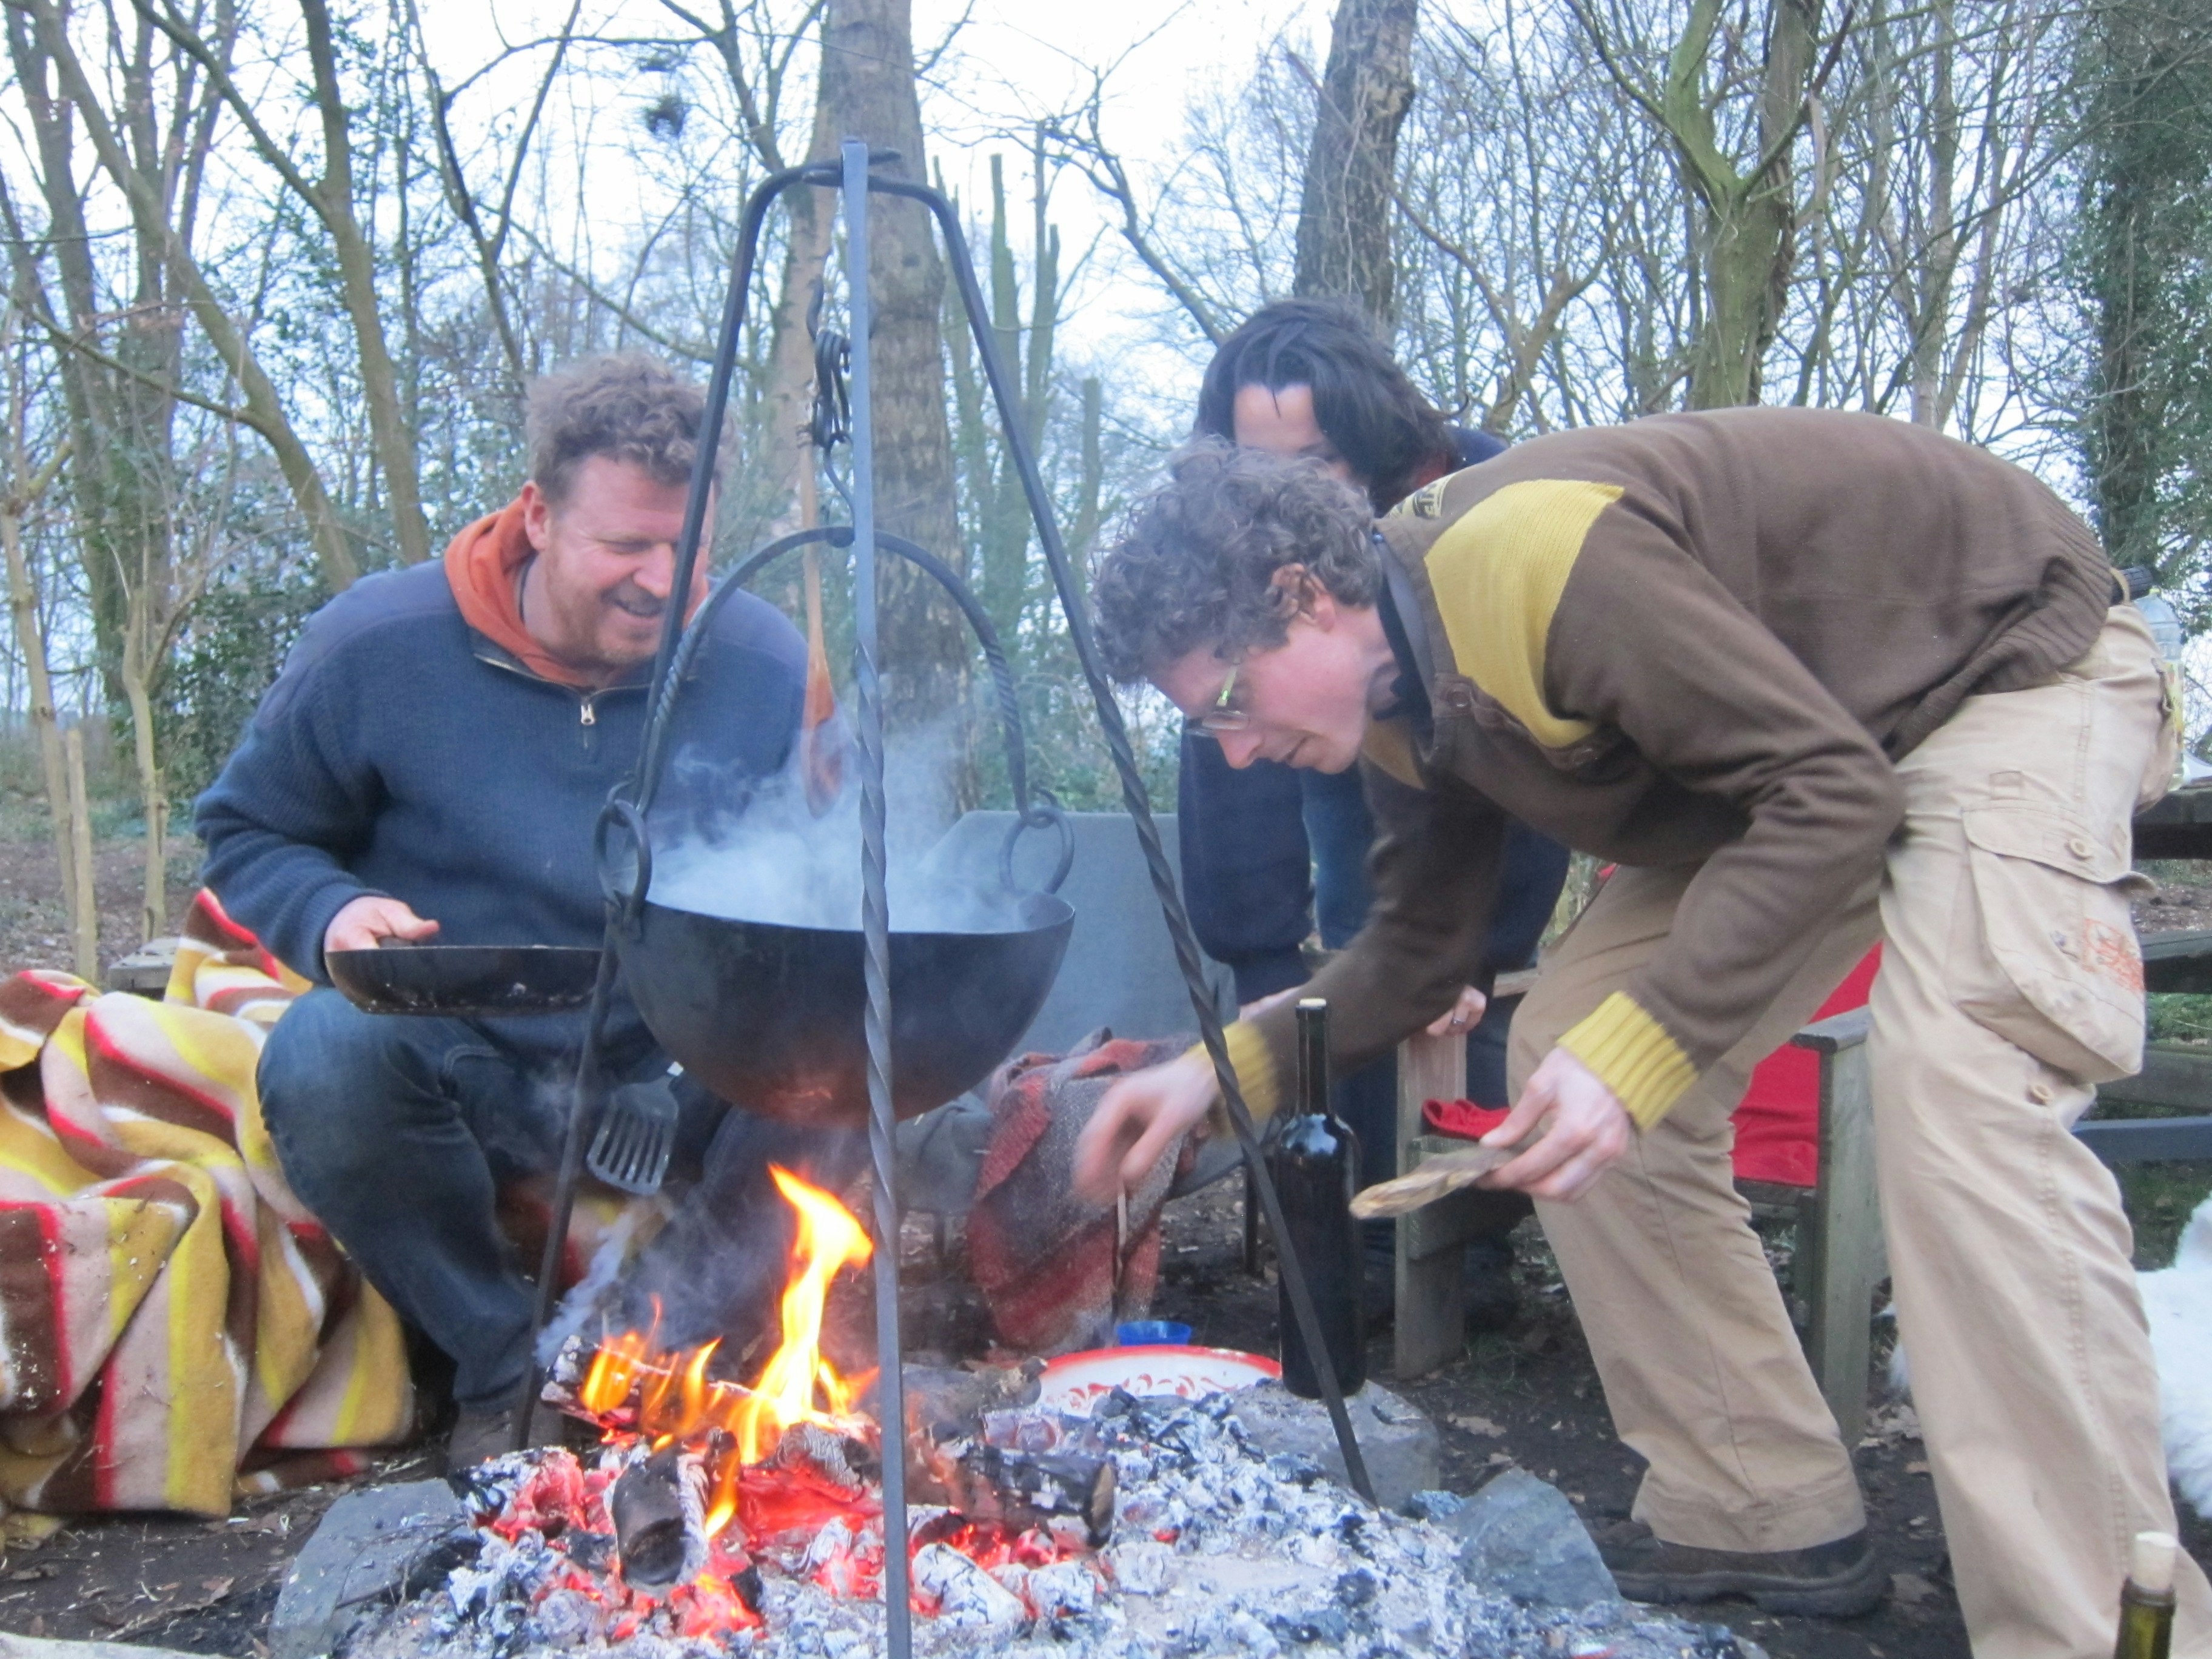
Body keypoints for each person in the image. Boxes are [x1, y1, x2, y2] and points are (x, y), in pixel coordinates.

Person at [1073, 414, 2208, 1658]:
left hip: (2005, 666)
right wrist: (1212, 1073)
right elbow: (1420, 950)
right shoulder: (1396, 692)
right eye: (1205, 728)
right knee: (1573, 1039)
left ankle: (2107, 1630)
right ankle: (1759, 1501)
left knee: (1960, 1096)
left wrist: (1651, 1047)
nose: (1236, 751)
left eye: (1232, 700)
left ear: (1305, 596)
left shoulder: (1536, 564)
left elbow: (1833, 797)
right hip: (1823, 749)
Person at [196, 355, 856, 1467]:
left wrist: (707, 1050)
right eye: (627, 546)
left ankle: (662, 1353)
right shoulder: (378, 645)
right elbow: (250, 831)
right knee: (324, 1053)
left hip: (688, 1071)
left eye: (686, 547)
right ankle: (507, 1370)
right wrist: (332, 909)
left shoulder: (760, 663)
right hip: (471, 1066)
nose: (663, 579)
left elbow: (834, 885)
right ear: (540, 515)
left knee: (864, 1034)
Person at [1179, 300, 1569, 1323]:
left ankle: (1466, 1256)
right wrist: (1262, 962)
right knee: (1347, 957)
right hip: (1334, 746)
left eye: (1314, 464)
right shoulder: (1230, 552)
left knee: (1451, 989)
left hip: (1481, 750)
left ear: (1375, 440)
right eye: (1257, 469)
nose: (1286, 497)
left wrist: (1478, 956)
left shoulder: (1486, 501)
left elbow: (1538, 773)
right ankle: (1349, 1247)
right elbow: (1227, 767)